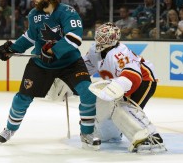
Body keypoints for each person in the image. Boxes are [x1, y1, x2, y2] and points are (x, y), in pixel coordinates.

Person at [0, 0, 101, 150]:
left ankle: (87, 133)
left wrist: (52, 51)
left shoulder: (67, 12)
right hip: (42, 64)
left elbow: (75, 37)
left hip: (70, 63)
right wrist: (12, 49)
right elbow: (30, 37)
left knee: (88, 93)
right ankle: (10, 129)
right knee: (23, 97)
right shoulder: (33, 15)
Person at [49, 22, 166, 153]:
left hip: (143, 80)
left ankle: (149, 137)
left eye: (104, 37)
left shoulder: (120, 53)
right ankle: (110, 134)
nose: (100, 40)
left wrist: (119, 85)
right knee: (101, 105)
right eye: (99, 36)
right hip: (120, 82)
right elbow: (83, 68)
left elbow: (133, 75)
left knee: (120, 106)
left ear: (114, 39)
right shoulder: (95, 50)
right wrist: (68, 78)